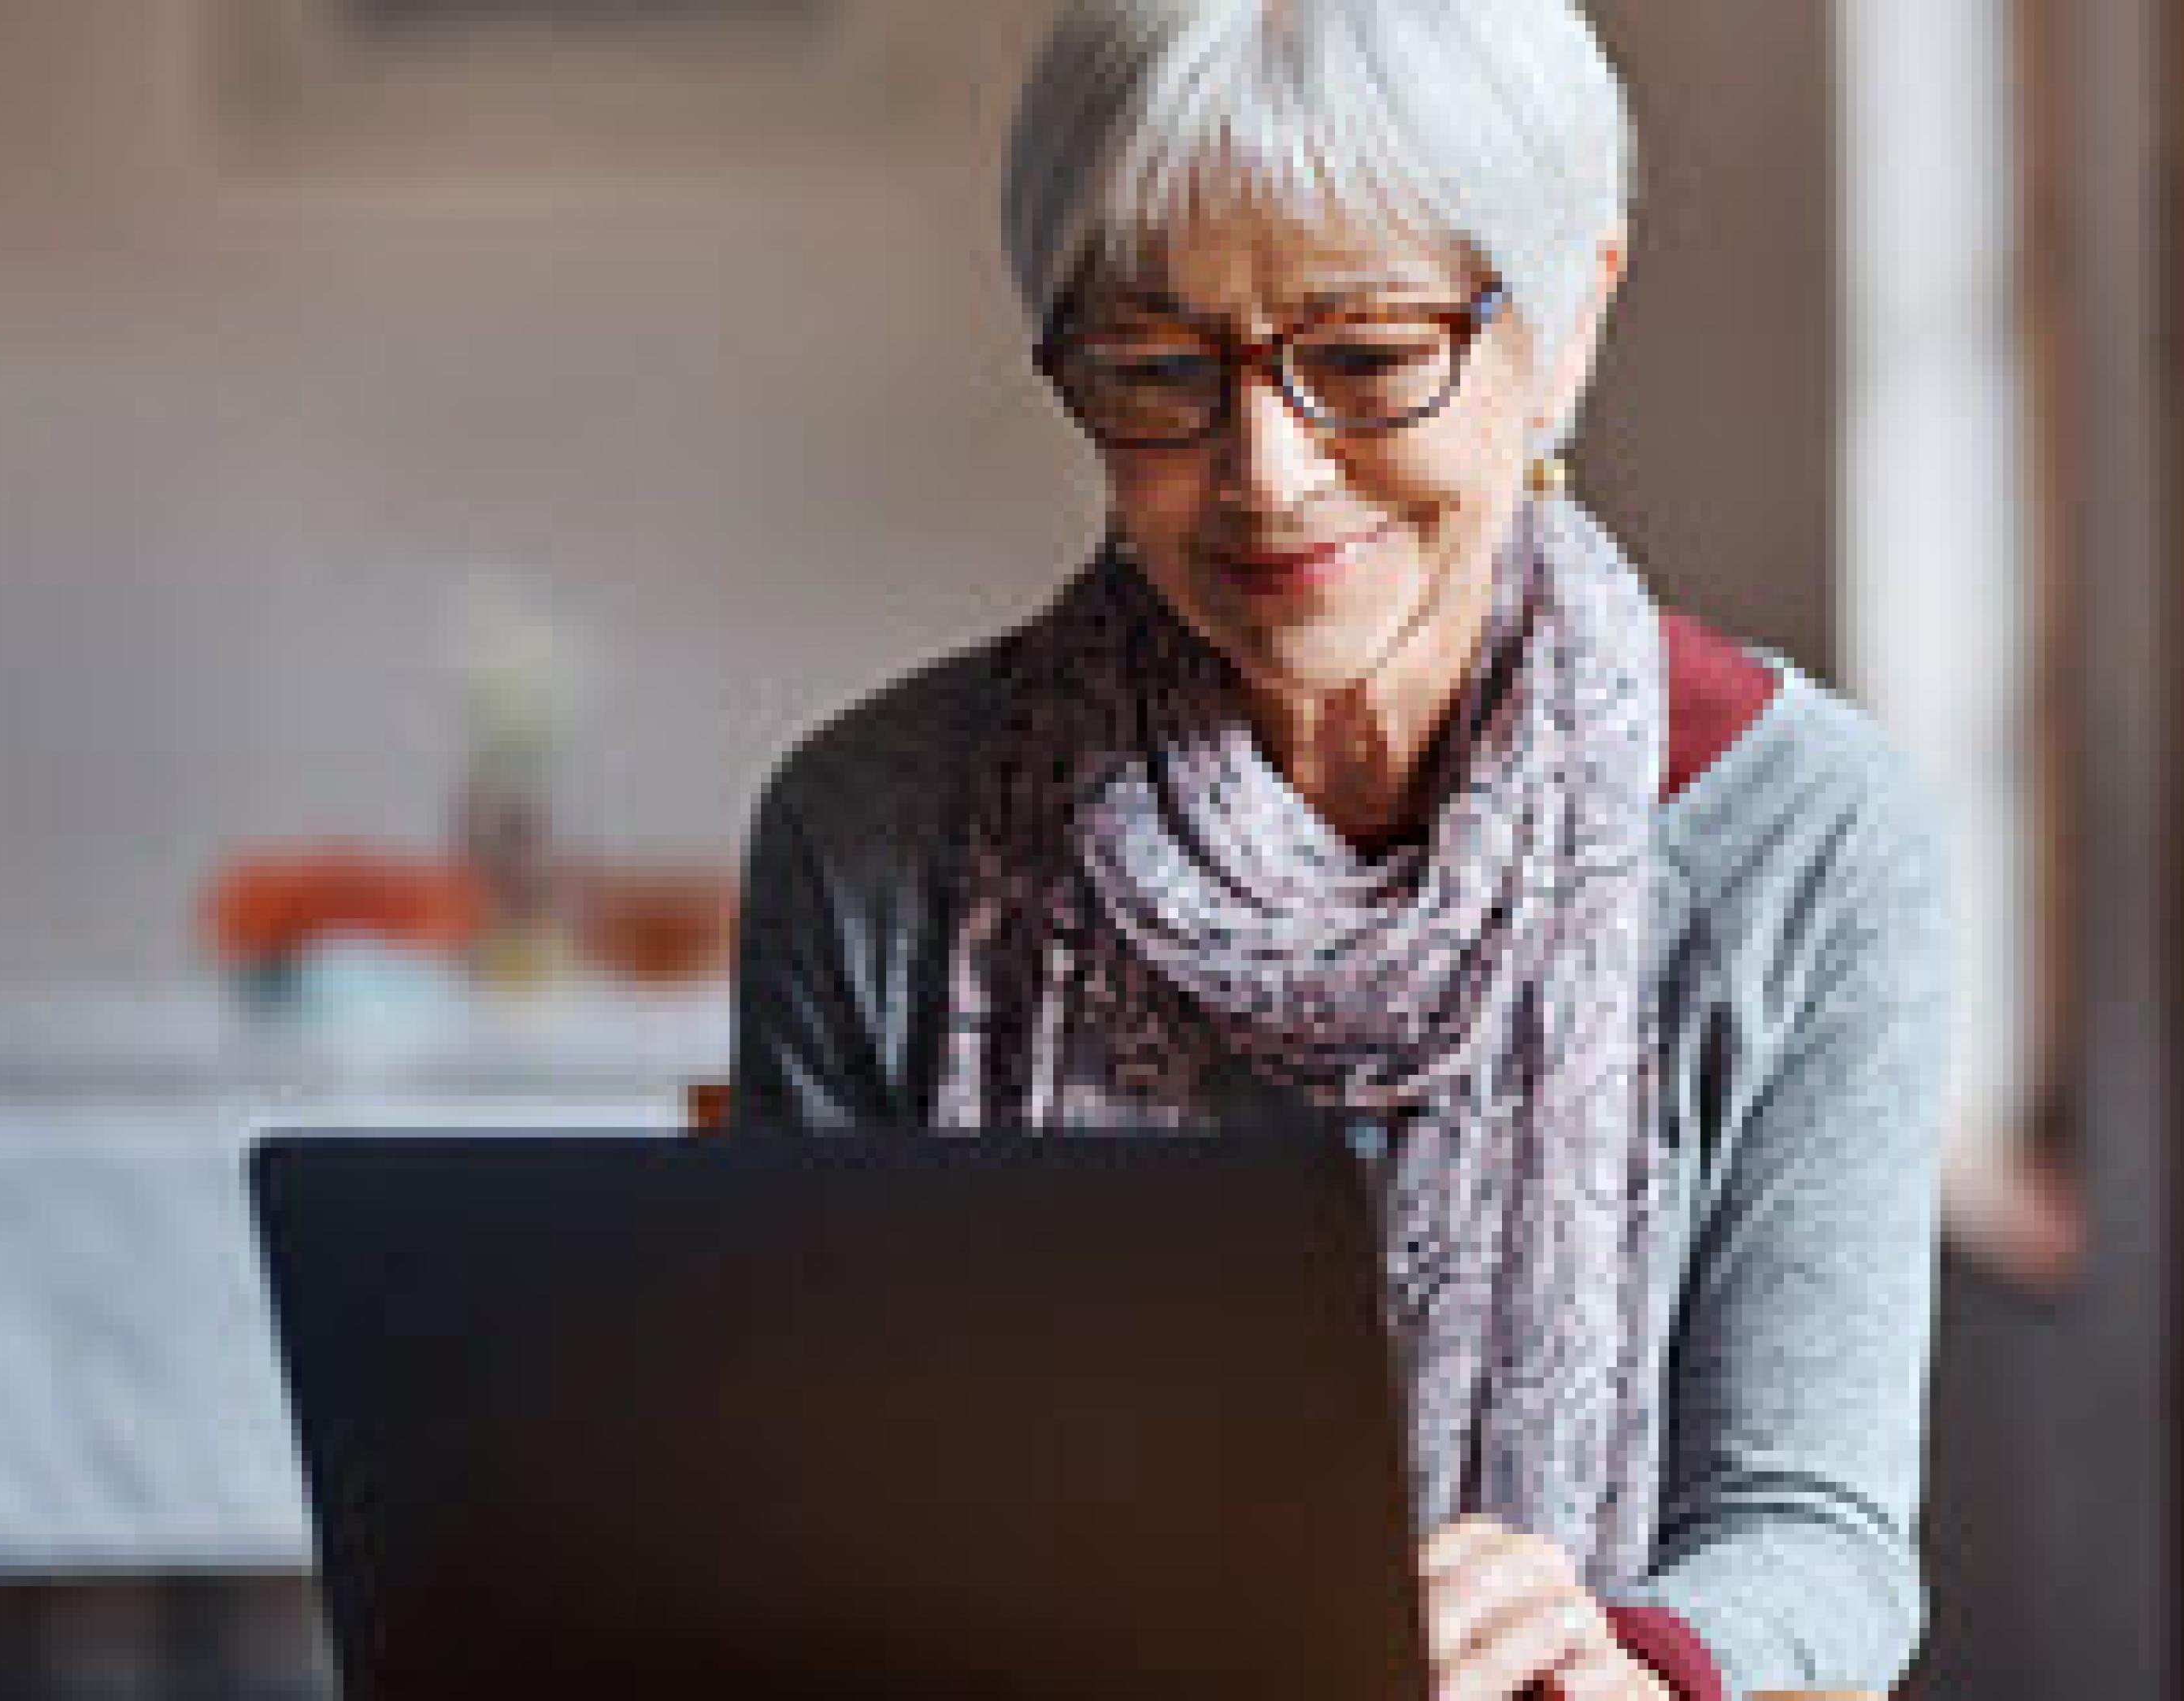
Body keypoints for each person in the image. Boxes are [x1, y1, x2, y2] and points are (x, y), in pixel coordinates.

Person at [729, 1, 1953, 1693]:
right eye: (1158, 370)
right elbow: (813, 1506)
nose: (1267, 474)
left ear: (1572, 323)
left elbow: (1816, 1537)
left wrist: (1623, 1664)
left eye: (1368, 359)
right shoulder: (870, 832)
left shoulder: (1809, 838)